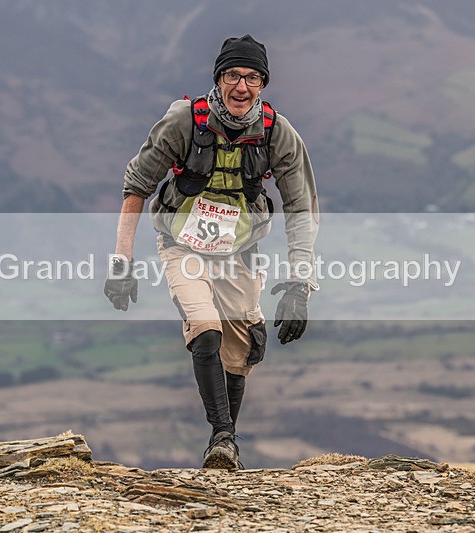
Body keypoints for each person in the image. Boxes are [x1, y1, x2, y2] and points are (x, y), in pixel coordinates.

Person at [104, 35, 319, 470]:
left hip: (240, 251)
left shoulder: (278, 133)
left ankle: (226, 441)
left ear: (263, 84)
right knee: (205, 328)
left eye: (253, 78)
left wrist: (301, 284)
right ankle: (222, 439)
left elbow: (301, 208)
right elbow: (137, 186)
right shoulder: (183, 121)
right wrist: (121, 262)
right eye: (234, 76)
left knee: (242, 351)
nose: (242, 87)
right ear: (219, 78)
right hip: (181, 244)